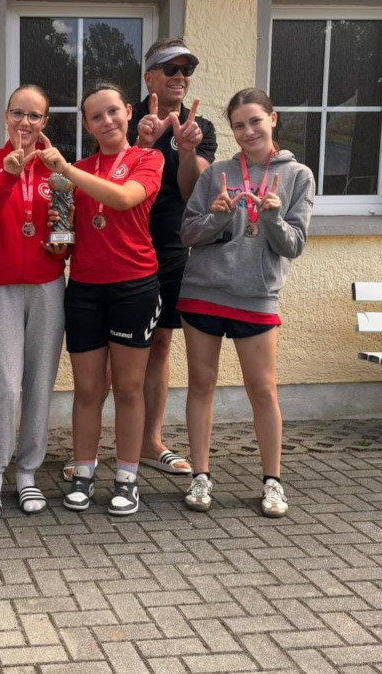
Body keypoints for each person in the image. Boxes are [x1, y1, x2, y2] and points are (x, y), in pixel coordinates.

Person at [60, 38, 216, 482]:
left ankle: (146, 447)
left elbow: (191, 192)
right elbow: (90, 200)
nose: (179, 77)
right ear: (149, 79)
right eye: (169, 69)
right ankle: (89, 456)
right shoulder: (130, 137)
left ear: (125, 109)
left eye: (186, 69)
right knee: (94, 379)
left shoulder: (193, 127)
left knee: (155, 353)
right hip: (97, 273)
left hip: (161, 251)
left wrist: (183, 149)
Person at [178, 88, 314, 517]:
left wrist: (272, 215)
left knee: (263, 389)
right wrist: (217, 216)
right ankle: (201, 476)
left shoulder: (297, 175)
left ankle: (272, 481)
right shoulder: (216, 171)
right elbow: (189, 233)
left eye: (255, 121)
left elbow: (293, 246)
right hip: (203, 292)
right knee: (201, 385)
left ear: (273, 119)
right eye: (239, 125)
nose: (248, 130)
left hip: (256, 297)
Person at [39, 83, 164, 516]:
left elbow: (125, 198)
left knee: (129, 388)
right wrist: (59, 234)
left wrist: (68, 173)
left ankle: (127, 478)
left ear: (128, 112)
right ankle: (85, 471)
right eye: (97, 116)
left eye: (113, 111)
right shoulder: (82, 167)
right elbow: (69, 241)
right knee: (88, 389)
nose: (107, 121)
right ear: (87, 124)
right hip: (86, 289)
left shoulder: (149, 159)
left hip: (134, 287)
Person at [0, 85, 68, 519]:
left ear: (45, 122)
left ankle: (26, 473)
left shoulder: (59, 170)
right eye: (17, 114)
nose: (25, 123)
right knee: (6, 387)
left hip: (47, 285)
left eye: (34, 116)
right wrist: (8, 176)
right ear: (6, 116)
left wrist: (58, 245)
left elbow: (66, 238)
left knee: (40, 385)